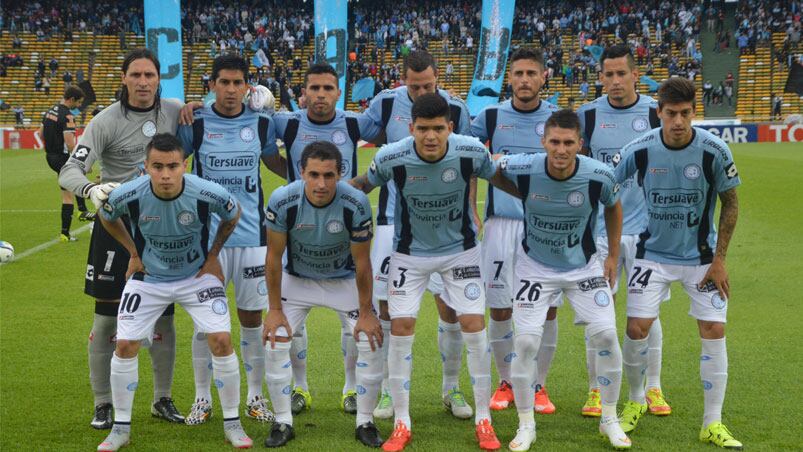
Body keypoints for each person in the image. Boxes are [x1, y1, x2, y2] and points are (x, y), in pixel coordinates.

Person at [351, 93, 520, 452]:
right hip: (409, 257)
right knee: (401, 328)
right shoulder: (391, 156)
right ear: (411, 128)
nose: (430, 136)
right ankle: (401, 421)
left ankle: (483, 420)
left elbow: (500, 178)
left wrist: (539, 197)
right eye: (423, 129)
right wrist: (324, 195)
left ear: (450, 128)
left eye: (438, 129)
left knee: (473, 325)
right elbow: (363, 185)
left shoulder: (471, 151)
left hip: (460, 254)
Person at [96, 133, 251, 451]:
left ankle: (233, 424)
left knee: (221, 340)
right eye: (157, 167)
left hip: (197, 276)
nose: (165, 175)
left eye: (172, 166)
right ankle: (120, 429)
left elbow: (233, 214)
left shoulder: (208, 192)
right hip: (149, 279)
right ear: (146, 166)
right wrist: (133, 252)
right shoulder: (130, 193)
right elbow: (106, 215)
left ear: (185, 165)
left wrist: (213, 255)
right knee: (125, 344)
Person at [59, 48, 185, 430]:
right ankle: (102, 403)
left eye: (150, 75)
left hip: (162, 228)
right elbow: (69, 170)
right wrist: (92, 191)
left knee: (164, 315)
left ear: (159, 78)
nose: (143, 82)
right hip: (115, 229)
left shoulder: (175, 111)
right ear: (124, 78)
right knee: (108, 316)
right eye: (136, 75)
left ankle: (162, 398)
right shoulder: (104, 120)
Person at [614, 77, 742, 449]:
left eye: (686, 114)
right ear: (659, 113)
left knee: (714, 332)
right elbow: (607, 187)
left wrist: (720, 261)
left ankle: (712, 422)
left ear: (693, 112)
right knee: (637, 328)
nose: (679, 122)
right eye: (671, 114)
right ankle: (636, 401)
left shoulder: (714, 151)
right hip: (652, 255)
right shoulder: (638, 149)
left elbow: (731, 203)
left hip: (703, 258)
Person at [498, 109, 630, 451]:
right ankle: (526, 424)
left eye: (568, 142)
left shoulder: (599, 175)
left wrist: (612, 255)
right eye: (554, 142)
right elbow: (489, 167)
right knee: (525, 344)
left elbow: (614, 207)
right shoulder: (524, 166)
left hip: (584, 267)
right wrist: (520, 194)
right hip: (534, 268)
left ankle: (610, 419)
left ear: (580, 145)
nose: (560, 149)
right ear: (543, 142)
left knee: (607, 337)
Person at [363, 50, 474, 421]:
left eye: (427, 84)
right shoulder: (384, 103)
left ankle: (451, 388)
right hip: (392, 223)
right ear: (403, 79)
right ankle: (385, 392)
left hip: (446, 227)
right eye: (414, 86)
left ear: (437, 76)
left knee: (453, 308)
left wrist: (471, 209)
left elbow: (469, 164)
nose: (421, 90)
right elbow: (349, 129)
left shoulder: (456, 109)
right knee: (386, 310)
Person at [178, 54, 285, 426]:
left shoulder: (260, 124)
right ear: (212, 85)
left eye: (238, 82)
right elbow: (172, 165)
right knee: (206, 323)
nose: (231, 89)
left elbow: (273, 162)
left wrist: (306, 181)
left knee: (251, 320)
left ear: (247, 86)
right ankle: (202, 398)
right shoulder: (196, 123)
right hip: (208, 245)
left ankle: (255, 397)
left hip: (254, 239)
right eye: (224, 82)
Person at [271, 63, 380, 416]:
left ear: (338, 92)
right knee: (290, 326)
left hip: (343, 225)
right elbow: (257, 138)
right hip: (300, 224)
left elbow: (398, 130)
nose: (321, 95)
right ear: (304, 92)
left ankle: (351, 389)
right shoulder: (286, 123)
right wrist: (295, 181)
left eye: (328, 88)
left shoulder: (353, 123)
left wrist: (357, 185)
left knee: (354, 327)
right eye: (314, 88)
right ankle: (299, 388)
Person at [262, 141, 385, 448]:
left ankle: (365, 420)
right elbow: (274, 258)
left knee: (369, 340)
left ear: (339, 174)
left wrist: (366, 312)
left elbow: (362, 263)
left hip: (341, 279)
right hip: (298, 279)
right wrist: (274, 309)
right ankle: (282, 421)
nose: (321, 183)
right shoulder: (282, 200)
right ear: (302, 172)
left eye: (329, 175)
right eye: (314, 174)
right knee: (275, 340)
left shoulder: (355, 203)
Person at [576, 44, 668, 418]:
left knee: (648, 314)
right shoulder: (587, 116)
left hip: (648, 231)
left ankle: (652, 387)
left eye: (621, 74)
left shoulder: (653, 112)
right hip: (601, 230)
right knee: (600, 311)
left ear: (635, 74)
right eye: (608, 74)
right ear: (600, 77)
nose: (615, 81)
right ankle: (596, 388)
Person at [469, 47, 560, 414]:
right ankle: (506, 381)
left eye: (531, 73)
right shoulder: (490, 116)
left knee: (548, 308)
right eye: (518, 73)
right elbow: (469, 159)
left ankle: (538, 385)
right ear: (510, 78)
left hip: (547, 225)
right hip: (500, 225)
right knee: (501, 307)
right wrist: (470, 209)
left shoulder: (558, 118)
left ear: (544, 77)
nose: (524, 80)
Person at [40, 86, 92, 241]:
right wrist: (80, 162)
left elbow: (40, 133)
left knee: (74, 181)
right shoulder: (68, 116)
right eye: (78, 102)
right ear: (72, 99)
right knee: (68, 195)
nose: (79, 106)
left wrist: (51, 146)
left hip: (50, 156)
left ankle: (82, 210)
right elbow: (70, 144)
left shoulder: (50, 111)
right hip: (62, 158)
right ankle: (66, 232)